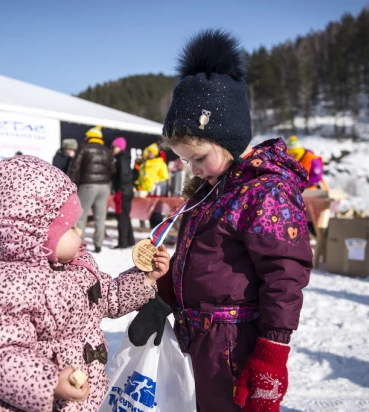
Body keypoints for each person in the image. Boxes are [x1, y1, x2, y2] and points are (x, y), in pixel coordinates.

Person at [131, 30, 313, 411]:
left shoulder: (265, 193)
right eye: (186, 160)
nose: (194, 169)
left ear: (228, 139)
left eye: (199, 157)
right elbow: (202, 258)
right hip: (197, 335)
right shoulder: (211, 187)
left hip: (233, 342)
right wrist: (164, 293)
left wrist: (272, 353)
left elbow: (285, 273)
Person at [0, 155, 170, 412]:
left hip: (84, 394)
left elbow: (108, 296)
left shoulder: (77, 266)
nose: (79, 233)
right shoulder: (8, 284)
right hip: (44, 401)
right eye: (70, 227)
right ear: (36, 234)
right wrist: (49, 381)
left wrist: (144, 278)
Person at [68, 125, 115, 253]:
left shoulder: (84, 148)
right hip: (104, 187)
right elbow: (113, 170)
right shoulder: (107, 150)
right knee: (100, 217)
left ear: (90, 137)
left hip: (88, 185)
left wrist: (70, 184)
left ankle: (78, 244)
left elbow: (74, 167)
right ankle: (98, 244)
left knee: (81, 216)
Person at [135, 143, 170, 228]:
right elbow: (140, 177)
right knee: (144, 212)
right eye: (149, 151)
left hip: (155, 192)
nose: (149, 153)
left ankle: (157, 230)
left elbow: (164, 177)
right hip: (144, 191)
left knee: (156, 213)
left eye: (151, 152)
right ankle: (145, 230)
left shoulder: (160, 163)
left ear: (155, 153)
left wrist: (159, 187)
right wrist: (138, 185)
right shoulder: (143, 164)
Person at [111, 137, 135, 249]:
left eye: (114, 147)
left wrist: (120, 190)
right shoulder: (122, 158)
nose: (112, 149)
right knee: (125, 216)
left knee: (121, 217)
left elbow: (124, 176)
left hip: (123, 192)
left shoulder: (122, 158)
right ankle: (130, 240)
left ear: (120, 147)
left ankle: (123, 242)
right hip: (125, 191)